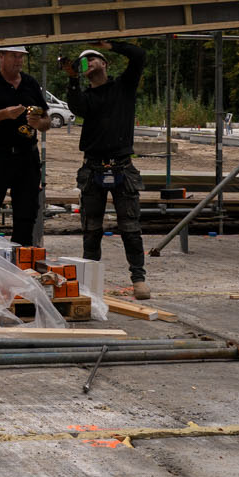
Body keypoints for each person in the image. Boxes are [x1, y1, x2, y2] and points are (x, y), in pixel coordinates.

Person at [65, 41, 150, 300]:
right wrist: (71, 79)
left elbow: (139, 54)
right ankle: (91, 282)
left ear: (105, 63)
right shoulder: (87, 98)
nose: (89, 62)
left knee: (130, 227)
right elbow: (75, 107)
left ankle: (138, 279)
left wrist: (110, 44)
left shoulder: (123, 87)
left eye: (93, 58)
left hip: (122, 166)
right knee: (91, 229)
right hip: (93, 168)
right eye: (84, 61)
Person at [0, 45, 50, 246]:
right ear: (1, 56)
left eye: (21, 57)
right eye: (14, 56)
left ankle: (21, 267)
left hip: (27, 157)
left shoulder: (30, 83)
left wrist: (38, 123)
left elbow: (46, 121)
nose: (19, 61)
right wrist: (4, 114)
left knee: (26, 214)